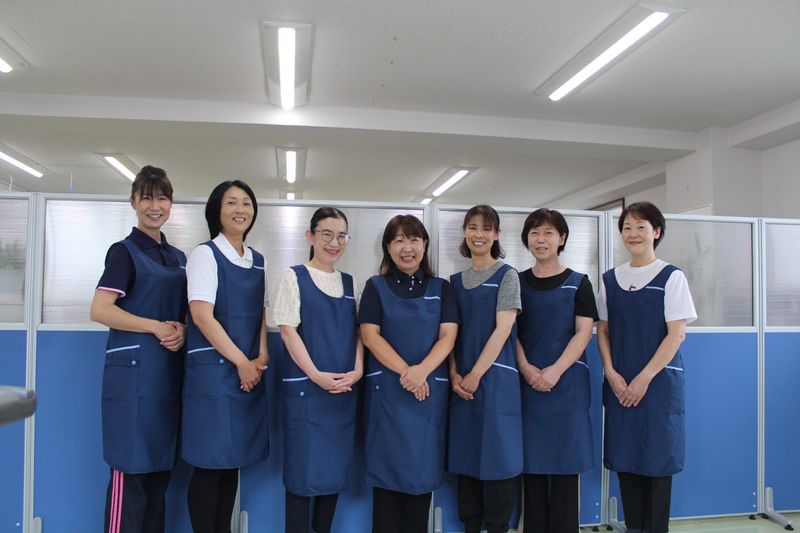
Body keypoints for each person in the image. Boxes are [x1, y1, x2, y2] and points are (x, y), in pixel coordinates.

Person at [90, 165, 187, 533]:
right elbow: (100, 310)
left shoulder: (178, 258)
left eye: (162, 198)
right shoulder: (124, 252)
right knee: (130, 476)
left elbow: (187, 311)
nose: (155, 206)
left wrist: (183, 330)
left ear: (171, 203)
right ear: (133, 202)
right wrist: (155, 326)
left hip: (166, 379)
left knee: (158, 478)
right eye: (146, 198)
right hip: (133, 384)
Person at [597, 202, 696, 533]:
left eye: (641, 226)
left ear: (656, 232)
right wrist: (610, 372)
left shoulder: (671, 277)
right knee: (627, 463)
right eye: (627, 227)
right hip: (620, 386)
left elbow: (676, 334)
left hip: (657, 387)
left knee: (656, 467)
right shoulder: (610, 279)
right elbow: (603, 331)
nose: (633, 233)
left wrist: (644, 378)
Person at [359, 215, 459, 533]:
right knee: (386, 487)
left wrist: (422, 371)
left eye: (414, 240)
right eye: (399, 240)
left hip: (426, 399)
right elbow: (370, 336)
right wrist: (408, 373)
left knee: (420, 482)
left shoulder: (441, 289)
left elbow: (448, 337)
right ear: (388, 247)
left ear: (424, 245)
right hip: (388, 397)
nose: (407, 248)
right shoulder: (375, 287)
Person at [182, 180, 269, 533]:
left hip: (246, 372)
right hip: (215, 375)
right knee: (209, 463)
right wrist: (242, 362)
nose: (240, 209)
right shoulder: (205, 254)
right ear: (216, 210)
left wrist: (260, 355)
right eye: (231, 202)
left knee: (232, 461)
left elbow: (260, 314)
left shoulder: (257, 260)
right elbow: (202, 316)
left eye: (246, 202)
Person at [272, 207, 363, 533]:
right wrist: (316, 375)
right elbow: (288, 332)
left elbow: (359, 333)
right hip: (308, 393)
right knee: (302, 478)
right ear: (310, 236)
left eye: (341, 236)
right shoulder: (293, 276)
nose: (334, 243)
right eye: (326, 234)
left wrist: (358, 369)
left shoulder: (350, 283)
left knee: (333, 476)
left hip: (341, 392)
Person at [515, 208, 597, 533]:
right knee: (531, 469)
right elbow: (510, 332)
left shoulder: (579, 283)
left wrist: (554, 371)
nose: (541, 239)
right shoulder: (516, 282)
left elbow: (583, 332)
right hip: (527, 387)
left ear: (562, 238)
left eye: (548, 232)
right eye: (534, 233)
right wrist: (526, 368)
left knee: (565, 467)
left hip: (566, 388)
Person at [448, 205, 523, 533]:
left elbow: (503, 329)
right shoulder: (453, 283)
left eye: (486, 228)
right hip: (461, 383)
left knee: (498, 458)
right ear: (465, 232)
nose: (479, 234)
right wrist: (454, 373)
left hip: (495, 382)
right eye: (473, 227)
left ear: (496, 235)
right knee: (466, 458)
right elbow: (449, 334)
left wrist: (476, 374)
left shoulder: (507, 276)